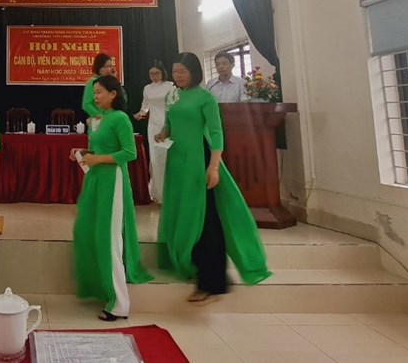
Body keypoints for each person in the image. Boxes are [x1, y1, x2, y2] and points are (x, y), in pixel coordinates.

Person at [156, 52, 270, 304]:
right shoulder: (172, 95)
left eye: (182, 71)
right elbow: (169, 123)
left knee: (206, 221)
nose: (178, 76)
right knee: (184, 214)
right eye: (175, 72)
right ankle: (195, 267)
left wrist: (214, 167)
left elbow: (217, 134)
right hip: (177, 163)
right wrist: (163, 132)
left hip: (200, 162)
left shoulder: (205, 97)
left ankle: (211, 282)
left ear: (194, 72)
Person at [72, 75, 153, 320]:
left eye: (99, 92)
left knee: (110, 239)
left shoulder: (120, 118)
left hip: (112, 180)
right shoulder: (101, 119)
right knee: (91, 232)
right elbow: (99, 149)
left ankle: (119, 304)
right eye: (94, 92)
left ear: (113, 94)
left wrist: (98, 159)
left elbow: (130, 152)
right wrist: (84, 152)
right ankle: (103, 289)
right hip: (96, 179)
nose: (94, 97)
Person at [133, 61, 174, 203]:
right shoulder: (147, 88)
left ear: (163, 73)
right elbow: (145, 106)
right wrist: (140, 113)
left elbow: (173, 106)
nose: (154, 76)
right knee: (155, 158)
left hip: (167, 124)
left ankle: (170, 193)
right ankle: (158, 194)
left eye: (157, 73)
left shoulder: (170, 86)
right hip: (153, 125)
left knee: (167, 157)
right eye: (151, 74)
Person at [81, 53, 126, 129]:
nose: (108, 69)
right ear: (99, 67)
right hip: (99, 122)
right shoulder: (93, 82)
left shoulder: (111, 81)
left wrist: (114, 80)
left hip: (113, 120)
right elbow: (86, 104)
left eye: (110, 66)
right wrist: (99, 116)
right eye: (105, 67)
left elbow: (123, 98)